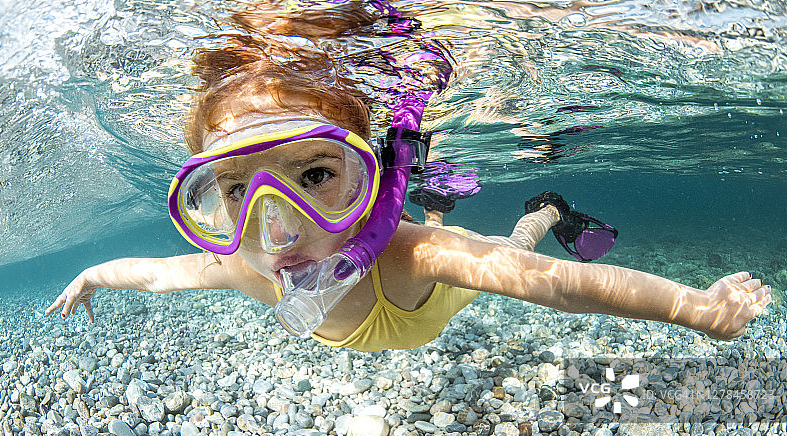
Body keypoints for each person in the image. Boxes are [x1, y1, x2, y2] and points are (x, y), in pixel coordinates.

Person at [46, 1, 771, 352]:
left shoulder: (417, 254)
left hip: (435, 289)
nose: (278, 228)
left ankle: (548, 206)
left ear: (366, 174)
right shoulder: (245, 264)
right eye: (236, 189)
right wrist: (93, 276)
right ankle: (434, 190)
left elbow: (555, 285)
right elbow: (161, 272)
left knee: (513, 247)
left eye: (316, 173)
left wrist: (693, 308)